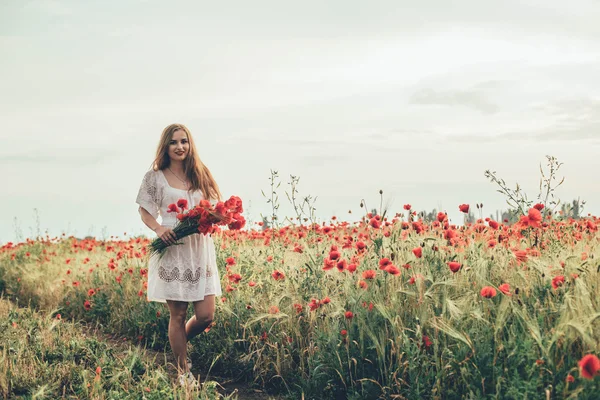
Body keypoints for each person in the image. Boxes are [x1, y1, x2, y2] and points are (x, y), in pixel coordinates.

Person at [135, 123, 223, 387]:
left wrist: (220, 215)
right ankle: (183, 372)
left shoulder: (200, 173)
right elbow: (144, 210)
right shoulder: (155, 177)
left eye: (184, 141)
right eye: (174, 142)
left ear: (190, 144)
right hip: (173, 245)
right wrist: (160, 228)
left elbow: (215, 204)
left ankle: (178, 347)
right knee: (179, 314)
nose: (180, 146)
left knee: (207, 315)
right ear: (166, 146)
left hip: (200, 247)